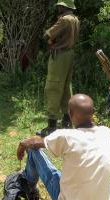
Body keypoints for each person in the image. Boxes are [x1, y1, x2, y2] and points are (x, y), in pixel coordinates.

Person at [17, 94, 110, 200]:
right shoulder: (106, 132)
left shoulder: (66, 136)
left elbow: (34, 143)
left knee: (33, 150)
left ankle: (29, 187)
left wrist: (23, 144)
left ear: (70, 113)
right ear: (93, 112)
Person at [38, 0, 80, 137]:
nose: (58, 8)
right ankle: (67, 121)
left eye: (59, 6)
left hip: (60, 55)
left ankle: (52, 126)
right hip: (70, 54)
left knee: (53, 86)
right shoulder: (75, 19)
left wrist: (50, 39)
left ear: (64, 7)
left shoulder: (64, 20)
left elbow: (47, 35)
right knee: (66, 87)